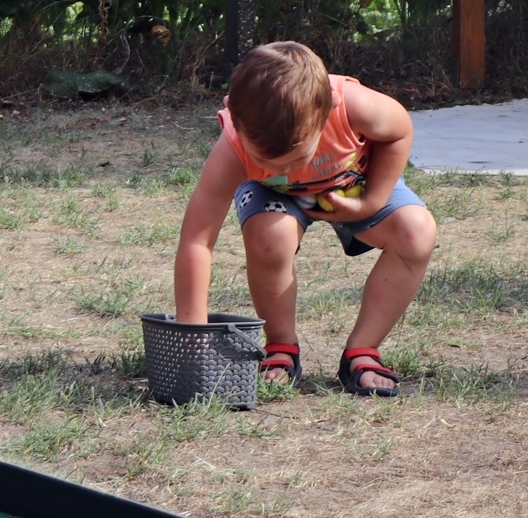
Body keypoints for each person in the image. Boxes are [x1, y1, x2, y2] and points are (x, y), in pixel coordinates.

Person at [174, 41, 437, 395]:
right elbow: (197, 239)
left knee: (417, 232)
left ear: (329, 108)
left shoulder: (354, 106)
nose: (282, 169)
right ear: (233, 117)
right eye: (265, 161)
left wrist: (371, 202)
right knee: (271, 236)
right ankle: (281, 345)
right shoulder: (233, 149)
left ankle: (362, 350)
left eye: (297, 158)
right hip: (276, 198)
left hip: (354, 183)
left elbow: (399, 130)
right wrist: (192, 337)